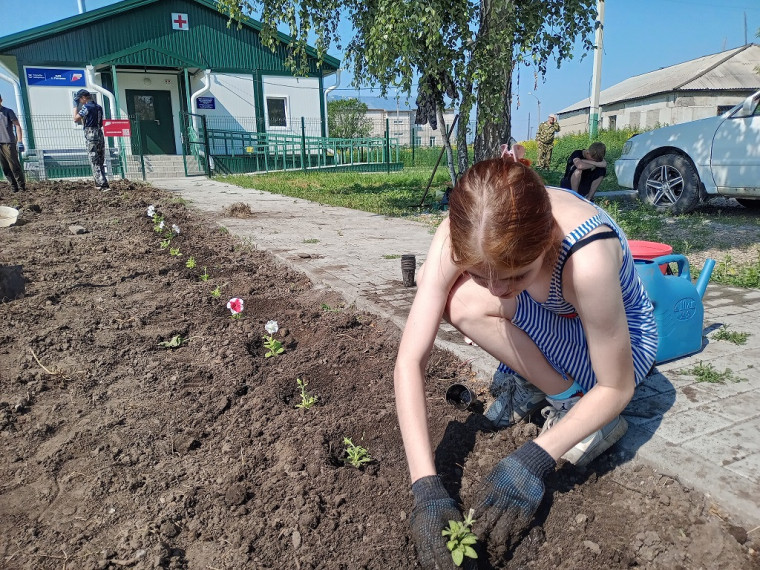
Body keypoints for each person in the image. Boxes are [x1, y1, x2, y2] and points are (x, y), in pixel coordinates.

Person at [395, 146, 657, 568]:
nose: (496, 290)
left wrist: (535, 457)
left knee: (469, 300)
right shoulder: (462, 230)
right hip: (554, 316)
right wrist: (425, 486)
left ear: (545, 240)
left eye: (517, 274)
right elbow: (410, 360)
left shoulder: (585, 257)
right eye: (482, 274)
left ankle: (575, 406)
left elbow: (617, 384)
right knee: (452, 297)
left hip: (618, 347)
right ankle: (551, 386)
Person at [72, 89, 109, 190]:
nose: (80, 101)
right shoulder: (99, 107)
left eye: (80, 99)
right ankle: (101, 181)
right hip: (100, 133)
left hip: (91, 134)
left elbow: (75, 118)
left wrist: (75, 107)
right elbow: (101, 122)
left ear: (84, 97)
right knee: (101, 159)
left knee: (94, 159)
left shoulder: (86, 107)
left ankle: (102, 184)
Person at [0, 93, 26, 193]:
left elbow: (17, 126)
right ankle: (13, 187)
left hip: (8, 143)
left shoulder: (8, 112)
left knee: (14, 166)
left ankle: (22, 186)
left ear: (1, 100)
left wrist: (19, 141)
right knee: (5, 167)